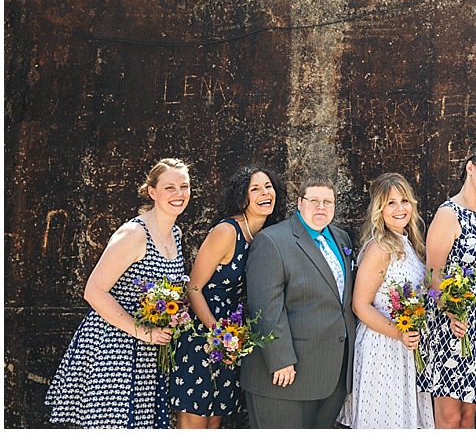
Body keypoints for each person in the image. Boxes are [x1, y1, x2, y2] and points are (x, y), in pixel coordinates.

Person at [46, 158, 191, 428]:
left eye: (184, 187)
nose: (179, 194)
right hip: (114, 346)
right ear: (152, 192)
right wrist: (141, 331)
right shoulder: (135, 233)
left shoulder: (176, 233)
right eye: (169, 187)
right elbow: (94, 291)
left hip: (149, 350)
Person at [169, 165, 287, 428]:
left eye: (268, 186)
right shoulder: (227, 231)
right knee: (195, 420)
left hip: (232, 339)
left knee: (215, 422)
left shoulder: (266, 235)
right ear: (242, 196)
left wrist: (230, 339)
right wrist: (216, 333)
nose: (264, 193)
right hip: (204, 335)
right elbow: (194, 287)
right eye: (255, 188)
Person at [241, 175, 356, 429]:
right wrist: (280, 359)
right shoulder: (272, 241)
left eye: (328, 202)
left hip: (332, 373)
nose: (321, 207)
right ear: (300, 203)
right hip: (286, 374)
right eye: (314, 200)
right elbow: (266, 305)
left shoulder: (341, 239)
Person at [417, 145, 476, 429]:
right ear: (470, 167)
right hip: (453, 324)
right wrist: (452, 310)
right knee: (449, 416)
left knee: (469, 416)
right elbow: (433, 274)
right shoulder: (449, 214)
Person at [338, 172, 434, 428]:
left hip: (406, 347)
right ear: (379, 209)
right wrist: (399, 334)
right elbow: (360, 305)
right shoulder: (380, 247)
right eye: (391, 203)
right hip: (382, 348)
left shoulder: (411, 245)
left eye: (404, 200)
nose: (399, 208)